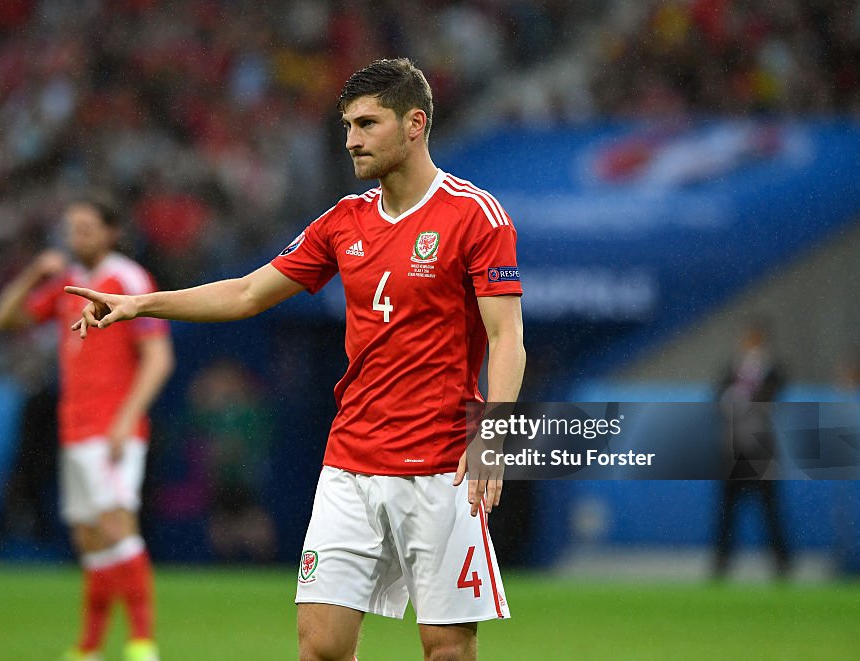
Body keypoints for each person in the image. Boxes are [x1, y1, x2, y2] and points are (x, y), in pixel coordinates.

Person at [67, 59, 525, 661]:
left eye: (367, 123)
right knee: (320, 649)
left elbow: (507, 335)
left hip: (441, 465)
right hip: (351, 462)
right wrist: (139, 304)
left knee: (446, 649)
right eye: (347, 126)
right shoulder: (344, 221)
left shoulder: (474, 215)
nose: (352, 140)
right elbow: (247, 293)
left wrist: (492, 434)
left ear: (415, 125)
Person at [0, 193, 175, 661]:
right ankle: (89, 647)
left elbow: (159, 358)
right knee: (89, 539)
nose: (77, 238)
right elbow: (4, 319)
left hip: (112, 428)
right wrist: (35, 273)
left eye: (87, 229)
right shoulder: (69, 283)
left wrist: (126, 420)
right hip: (74, 428)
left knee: (116, 526)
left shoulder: (128, 279)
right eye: (72, 229)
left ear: (111, 232)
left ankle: (141, 643)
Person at [713, 318, 791, 580]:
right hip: (735, 449)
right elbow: (717, 396)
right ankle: (721, 564)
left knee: (769, 510)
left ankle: (781, 564)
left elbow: (774, 393)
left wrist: (748, 396)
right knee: (727, 512)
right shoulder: (733, 368)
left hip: (760, 448)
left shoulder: (772, 370)